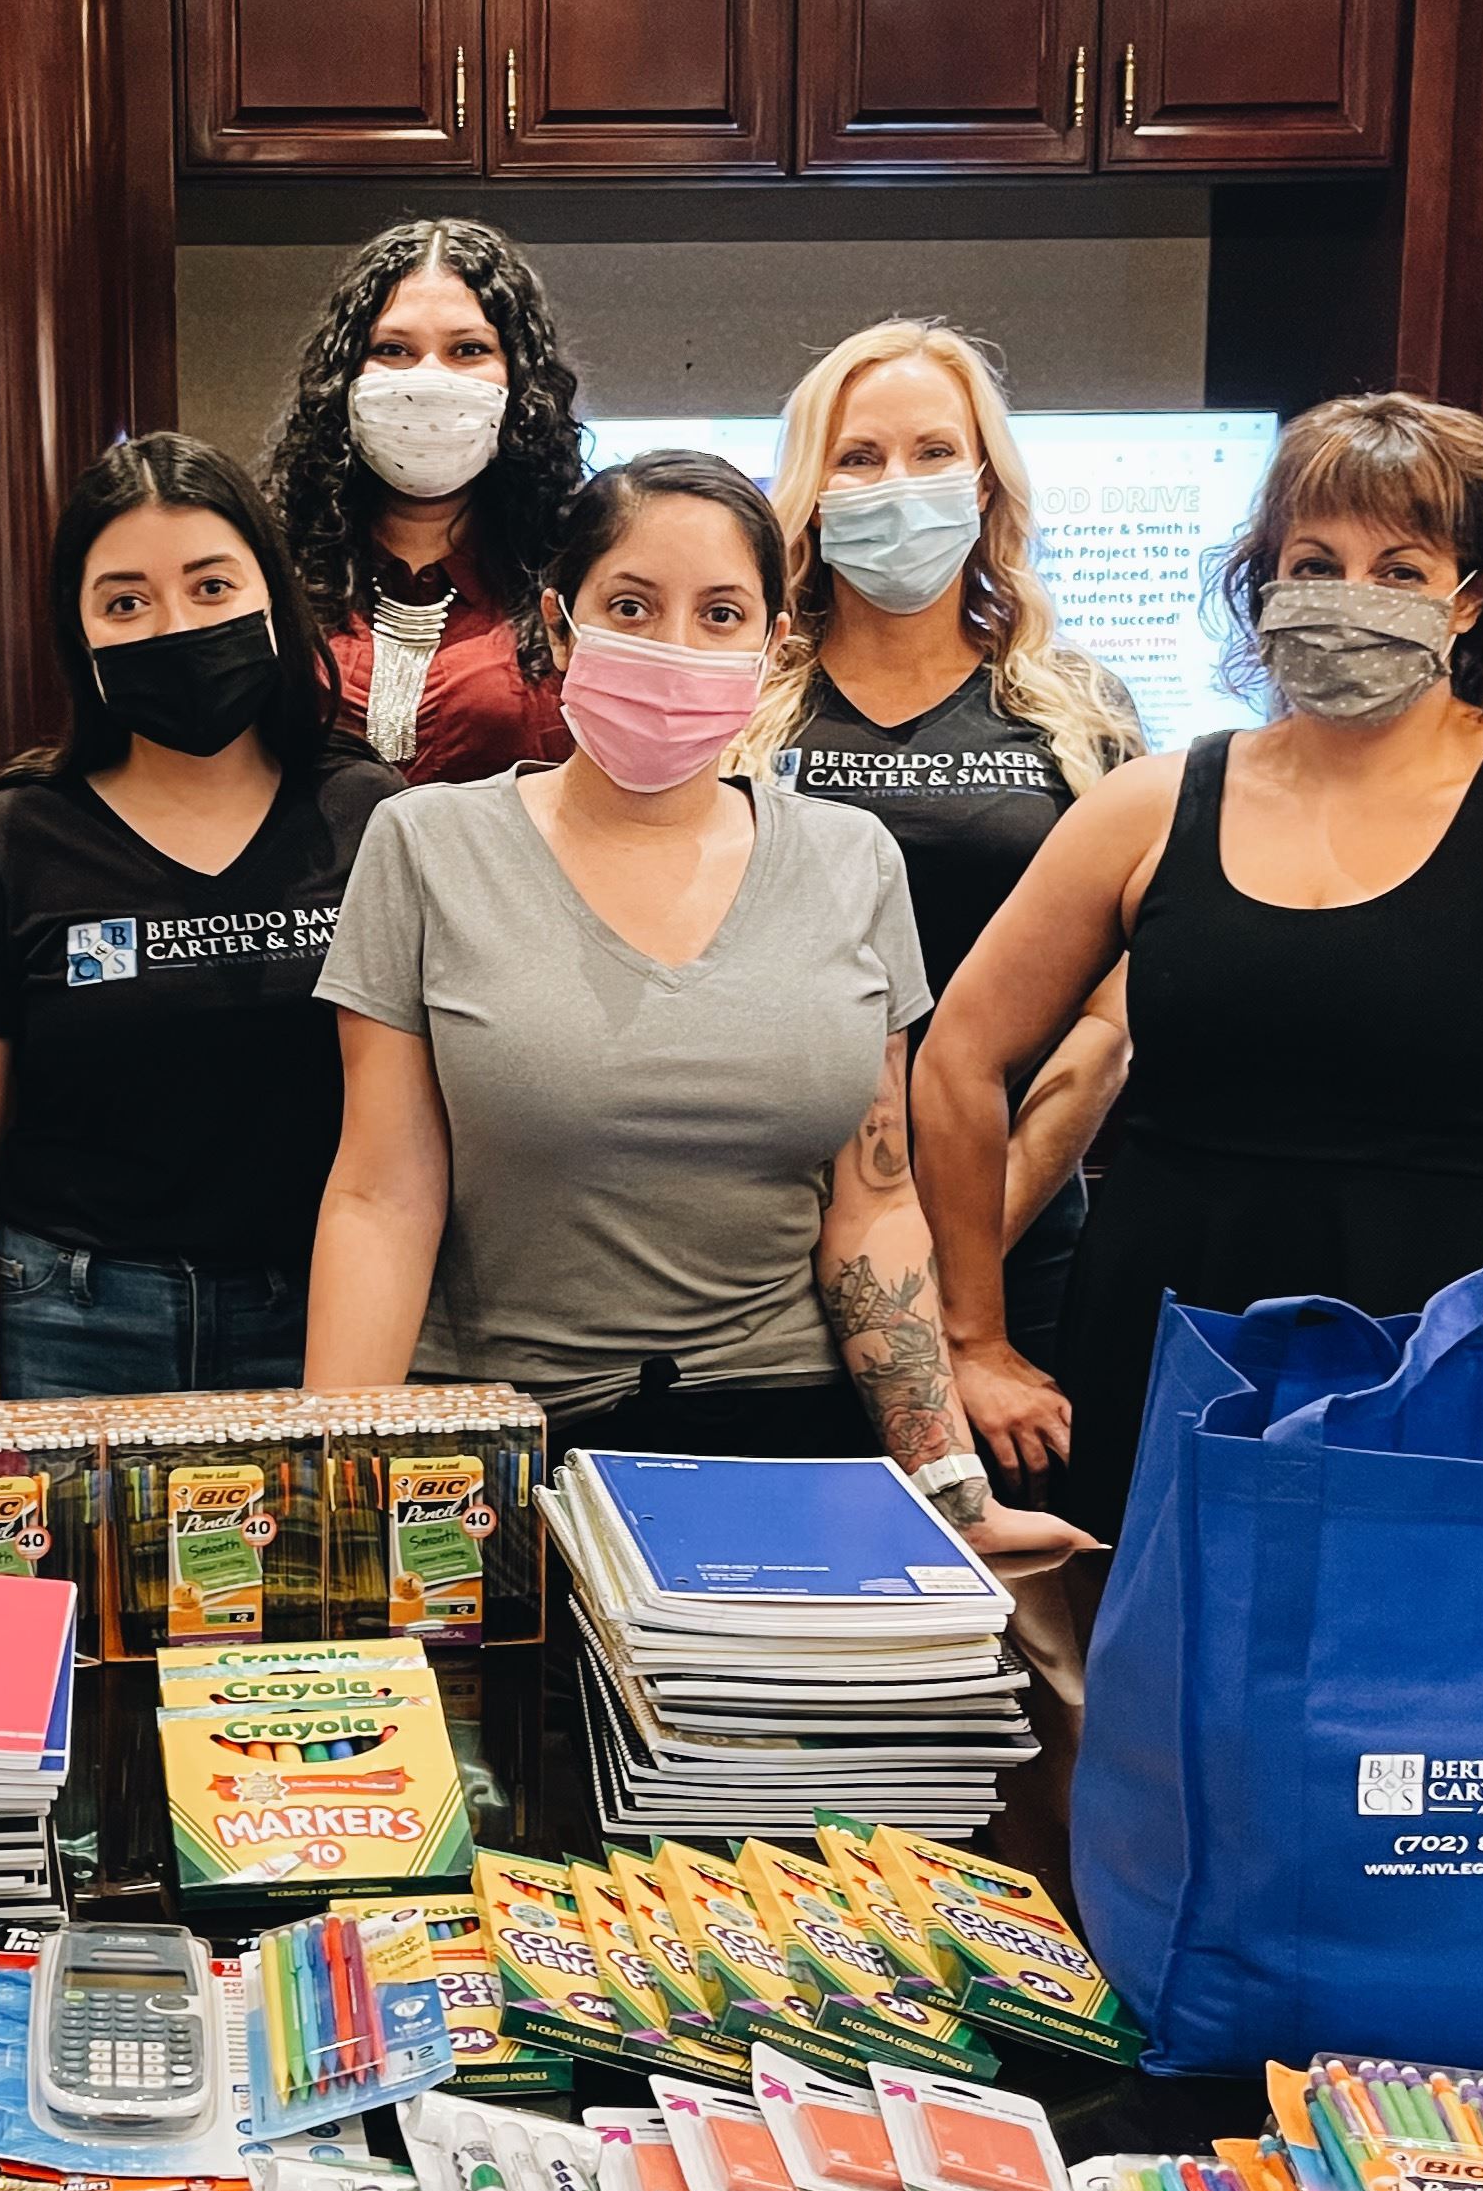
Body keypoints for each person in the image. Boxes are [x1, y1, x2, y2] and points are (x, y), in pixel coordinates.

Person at [914, 390, 1483, 1545]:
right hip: (1159, 1368)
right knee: (1151, 1705)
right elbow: (959, 1053)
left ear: (1475, 596)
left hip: (1443, 1378)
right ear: (1263, 581)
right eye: (1316, 559)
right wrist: (973, 1334)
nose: (1350, 595)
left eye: (1401, 569)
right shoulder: (1152, 804)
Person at [303, 450, 1085, 1576]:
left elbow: (872, 1199)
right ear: (560, 624)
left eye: (721, 612)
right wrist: (342, 1482)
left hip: (788, 1446)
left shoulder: (850, 860)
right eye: (632, 605)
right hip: (507, 1454)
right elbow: (380, 1195)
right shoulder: (428, 845)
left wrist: (950, 1486)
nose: (674, 645)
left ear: (770, 646)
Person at [0, 433, 395, 1399]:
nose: (173, 624)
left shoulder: (374, 816)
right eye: (125, 601)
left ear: (272, 596)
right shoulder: (5, 841)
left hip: (317, 1314)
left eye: (211, 587)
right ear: (77, 634)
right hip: (67, 1322)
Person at [742, 318, 1144, 1496]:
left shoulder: (1078, 714)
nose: (895, 484)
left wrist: (962, 1278)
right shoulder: (741, 705)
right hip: (774, 1244)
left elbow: (1107, 1028)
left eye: (933, 451)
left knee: (1016, 1599)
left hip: (1023, 1237)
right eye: (858, 457)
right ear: (809, 490)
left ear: (986, 481)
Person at [261, 216, 588, 783]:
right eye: (393, 349)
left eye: (467, 349)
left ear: (518, 380)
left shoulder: (579, 568)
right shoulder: (266, 564)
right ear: (345, 378)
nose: (428, 379)